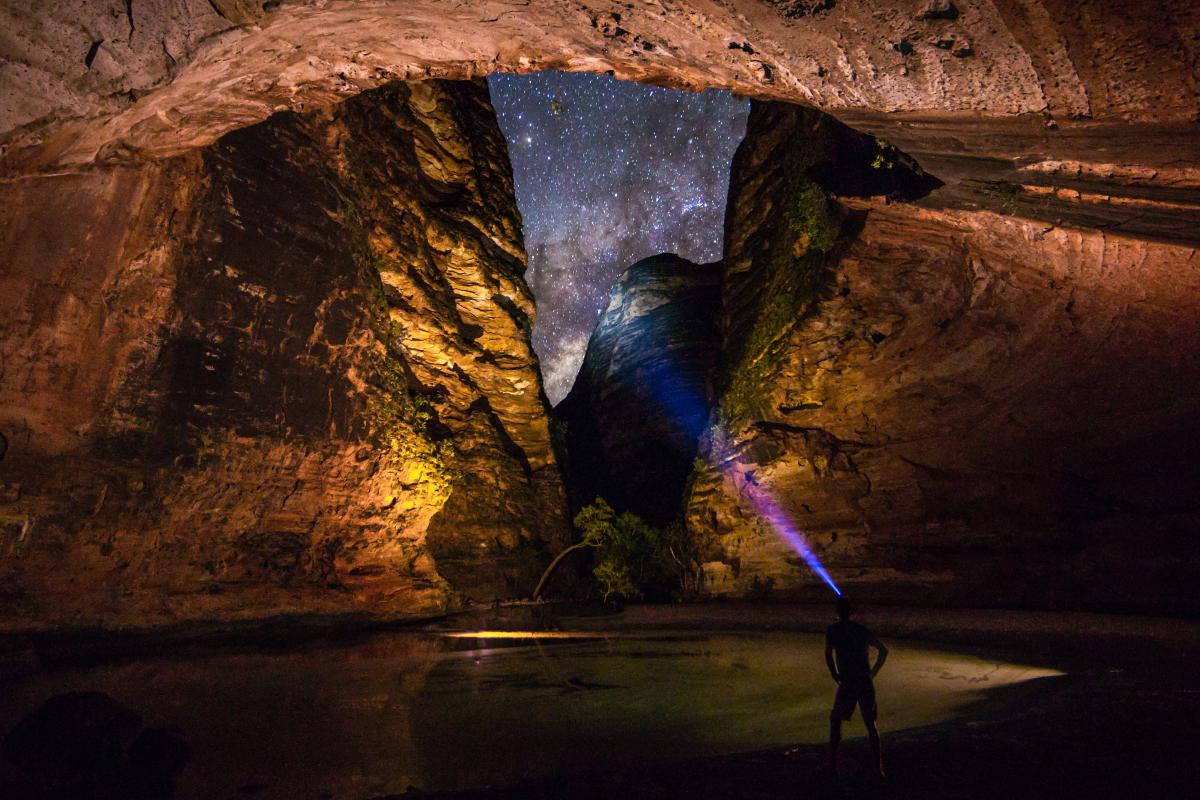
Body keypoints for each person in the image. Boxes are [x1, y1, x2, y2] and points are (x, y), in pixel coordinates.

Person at [825, 596, 888, 777]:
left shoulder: (833, 630)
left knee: (835, 720)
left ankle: (832, 766)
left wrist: (834, 673)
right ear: (851, 612)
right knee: (871, 724)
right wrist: (873, 671)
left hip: (848, 682)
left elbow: (828, 654)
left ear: (837, 612)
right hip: (864, 680)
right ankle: (879, 769)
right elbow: (883, 651)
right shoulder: (861, 630)